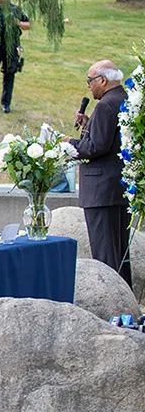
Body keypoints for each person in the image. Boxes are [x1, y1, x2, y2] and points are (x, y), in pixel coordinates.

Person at [70, 60, 132, 287]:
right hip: (117, 188)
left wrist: (69, 144)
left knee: (106, 257)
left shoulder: (105, 106)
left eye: (90, 80)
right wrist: (89, 126)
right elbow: (110, 140)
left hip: (101, 192)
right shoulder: (123, 99)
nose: (89, 86)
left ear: (103, 81)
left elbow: (96, 147)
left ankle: (113, 310)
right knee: (119, 254)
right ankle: (126, 307)